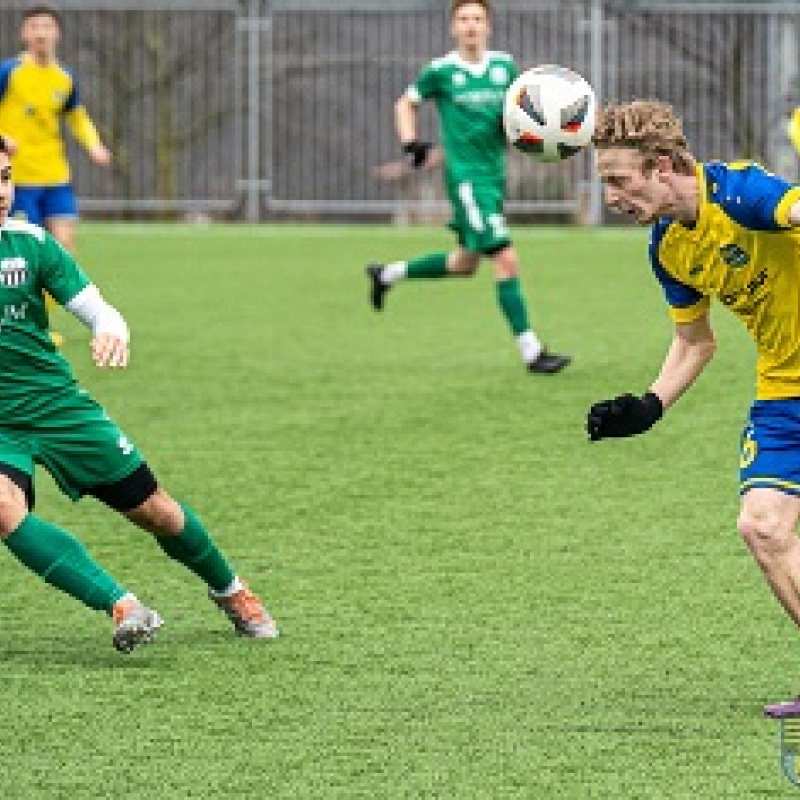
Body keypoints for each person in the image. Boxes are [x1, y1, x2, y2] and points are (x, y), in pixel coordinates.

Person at [0, 136, 278, 653]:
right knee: (2, 508)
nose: (1, 191)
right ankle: (122, 605)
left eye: (5, 177)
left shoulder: (32, 244)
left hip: (58, 408)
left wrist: (111, 329)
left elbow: (100, 309)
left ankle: (230, 589)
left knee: (158, 513)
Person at [584, 99, 800, 711]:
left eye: (619, 181)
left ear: (663, 165)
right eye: (606, 183)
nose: (613, 197)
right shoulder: (667, 249)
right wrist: (648, 406)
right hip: (785, 392)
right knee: (762, 527)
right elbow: (694, 341)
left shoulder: (742, 195)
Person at [365, 0, 570, 374]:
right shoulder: (442, 71)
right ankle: (532, 351)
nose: (471, 25)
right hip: (467, 181)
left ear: (488, 26)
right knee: (505, 257)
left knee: (464, 264)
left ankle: (386, 274)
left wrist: (539, 132)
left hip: (494, 177)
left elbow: (521, 113)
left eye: (477, 18)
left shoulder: (503, 67)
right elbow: (404, 104)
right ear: (453, 27)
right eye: (463, 19)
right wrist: (411, 145)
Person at [0, 5, 112, 345]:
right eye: (34, 27)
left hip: (55, 175)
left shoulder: (64, 78)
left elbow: (77, 116)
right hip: (17, 177)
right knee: (21, 255)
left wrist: (94, 145)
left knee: (63, 247)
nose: (40, 33)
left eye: (47, 27)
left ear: (57, 33)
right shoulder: (10, 73)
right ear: (24, 34)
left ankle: (41, 321)